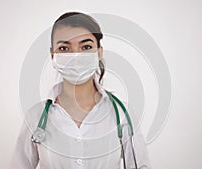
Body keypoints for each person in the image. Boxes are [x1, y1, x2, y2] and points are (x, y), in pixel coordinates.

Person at [10, 11, 151, 169]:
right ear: (52, 56)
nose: (76, 55)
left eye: (86, 47)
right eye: (64, 48)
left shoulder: (121, 113)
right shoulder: (36, 116)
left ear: (99, 52)